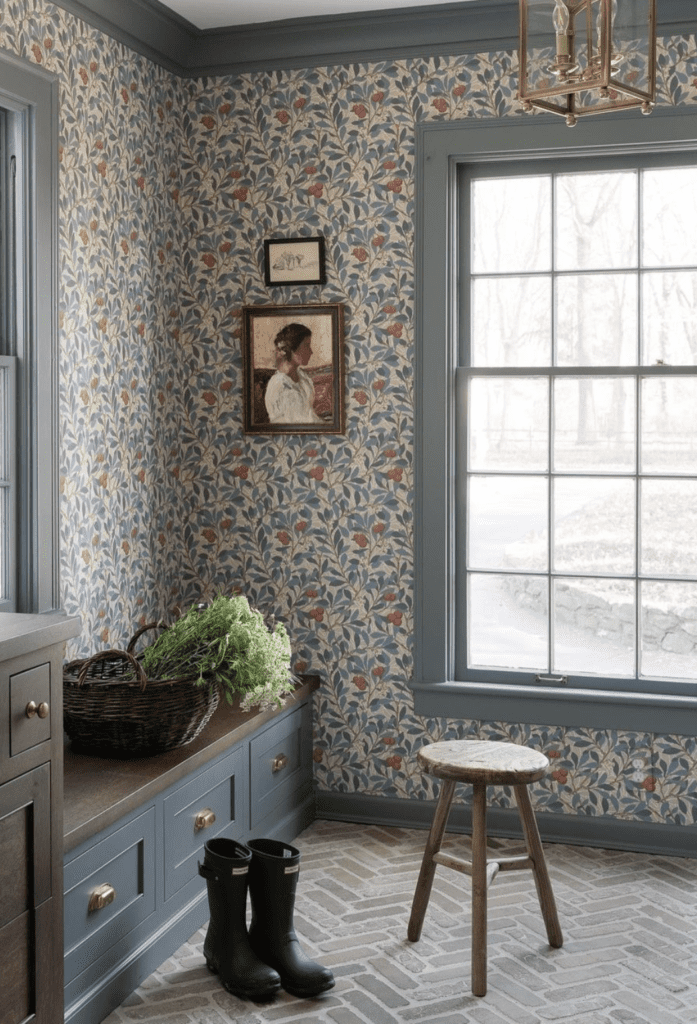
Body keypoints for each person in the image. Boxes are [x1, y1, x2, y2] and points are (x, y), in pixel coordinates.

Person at [264, 322, 323, 424]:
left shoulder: (303, 377)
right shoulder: (279, 384)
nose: (311, 352)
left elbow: (310, 415)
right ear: (291, 349)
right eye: (306, 346)